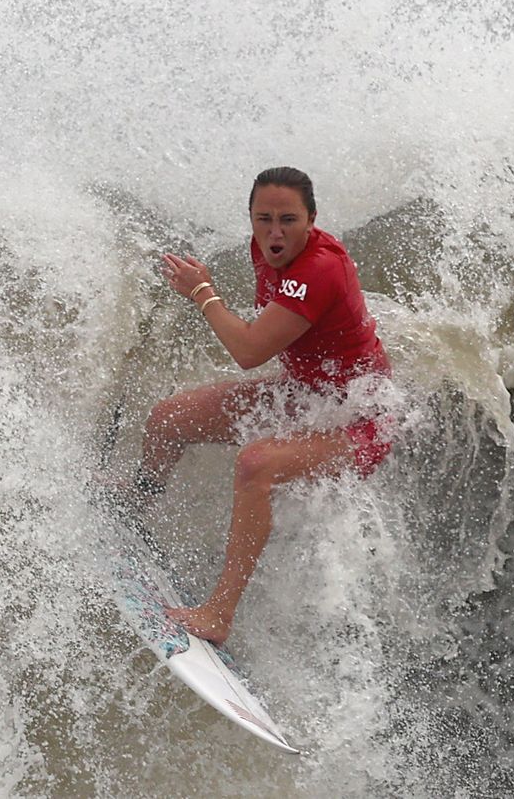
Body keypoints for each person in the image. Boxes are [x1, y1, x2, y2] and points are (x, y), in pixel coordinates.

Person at [121, 166, 393, 645]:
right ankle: (136, 502)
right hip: (304, 393)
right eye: (262, 218)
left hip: (360, 418)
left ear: (312, 219)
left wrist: (203, 292)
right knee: (168, 418)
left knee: (256, 465)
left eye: (288, 219)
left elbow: (249, 352)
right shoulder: (264, 248)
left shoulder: (319, 268)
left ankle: (217, 615)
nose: (274, 232)